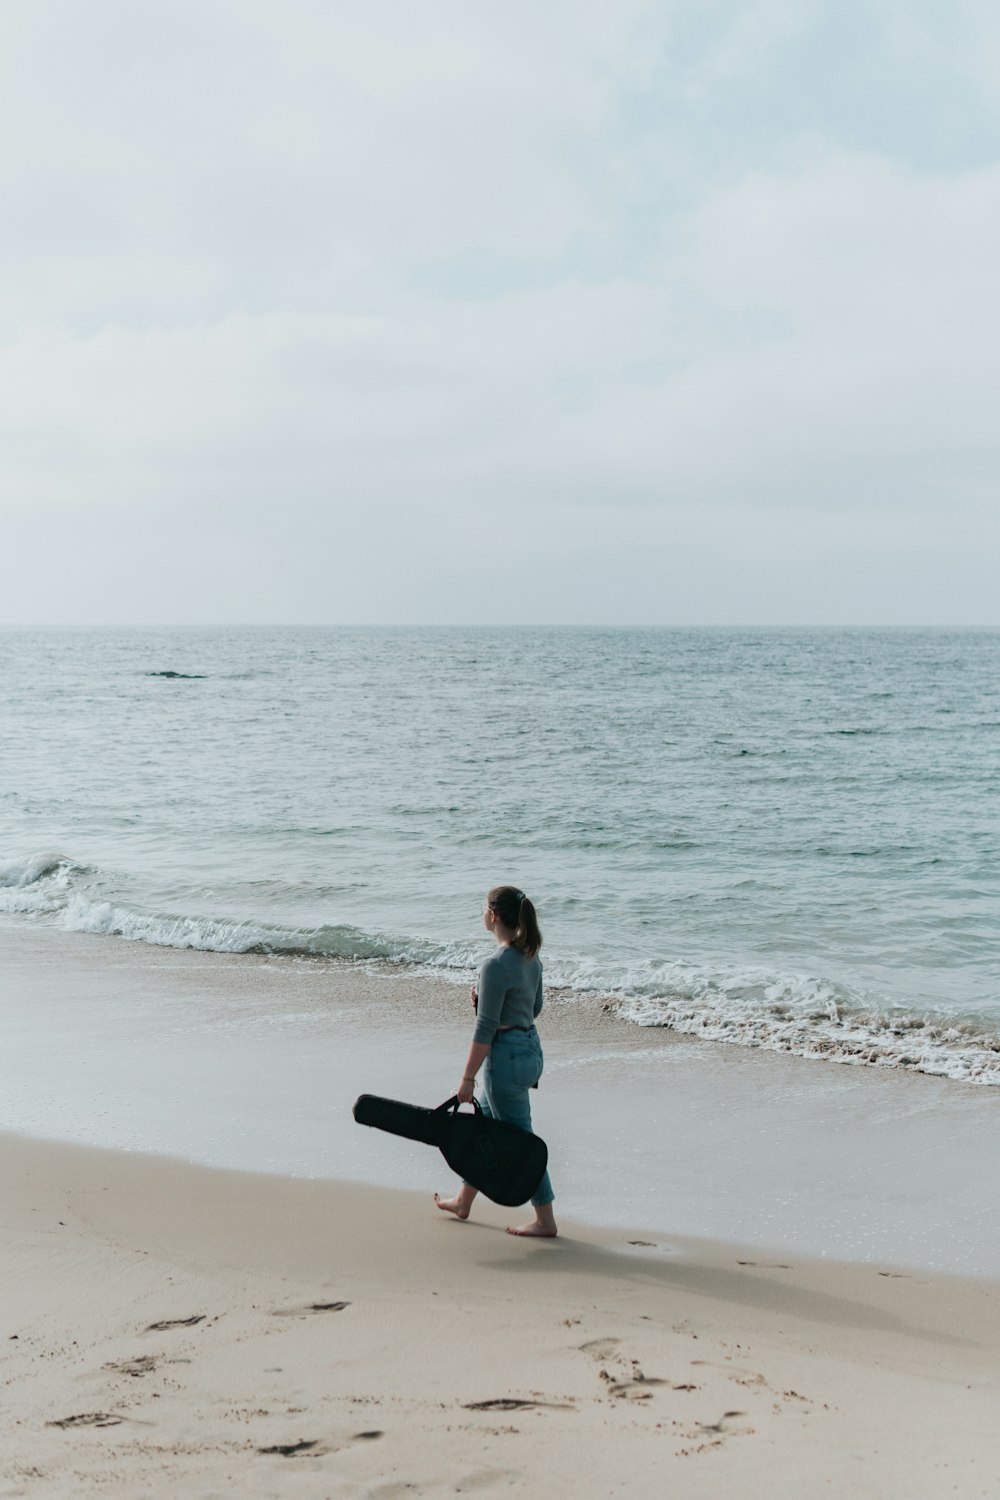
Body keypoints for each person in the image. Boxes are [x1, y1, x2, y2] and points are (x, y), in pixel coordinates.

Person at [434, 885, 557, 1237]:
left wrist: (467, 1078)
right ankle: (463, 1200)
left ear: (494, 916)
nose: (482, 914)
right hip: (530, 1050)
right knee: (486, 1125)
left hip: (504, 1058)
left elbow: (486, 1027)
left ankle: (546, 1218)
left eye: (483, 908)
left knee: (521, 1140)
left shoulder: (494, 965)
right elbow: (533, 1009)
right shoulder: (531, 957)